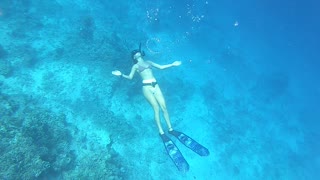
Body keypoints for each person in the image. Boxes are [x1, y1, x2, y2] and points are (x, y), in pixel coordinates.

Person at [112, 47, 181, 135]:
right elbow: (130, 77)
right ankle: (161, 131)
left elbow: (161, 67)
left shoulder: (149, 62)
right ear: (133, 57)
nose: (136, 52)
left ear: (141, 53)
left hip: (156, 85)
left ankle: (170, 129)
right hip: (146, 87)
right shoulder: (135, 66)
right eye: (134, 53)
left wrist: (172, 64)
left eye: (137, 51)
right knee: (156, 109)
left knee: (164, 107)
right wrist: (121, 74)